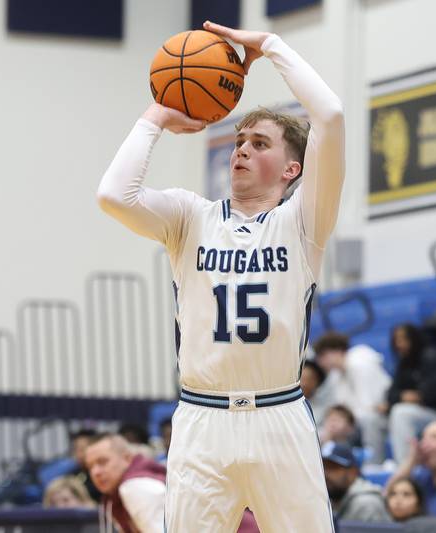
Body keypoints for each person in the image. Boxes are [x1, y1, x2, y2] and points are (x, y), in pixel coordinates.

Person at [97, 19, 344, 532]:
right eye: (239, 140)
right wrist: (157, 115)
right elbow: (114, 196)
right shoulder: (189, 217)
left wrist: (272, 47)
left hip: (280, 414)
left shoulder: (302, 222)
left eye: (259, 143)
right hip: (201, 418)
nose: (242, 150)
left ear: (292, 169)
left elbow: (331, 113)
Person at [313, 332, 391, 463]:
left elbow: (369, 407)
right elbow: (340, 408)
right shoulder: (335, 376)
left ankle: (374, 464)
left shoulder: (361, 365)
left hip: (382, 417)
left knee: (367, 420)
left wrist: (344, 422)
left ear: (337, 351)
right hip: (357, 420)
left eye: (323, 356)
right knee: (328, 428)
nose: (321, 363)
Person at [384, 324, 436, 464]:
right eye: (396, 340)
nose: (399, 344)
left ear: (414, 339)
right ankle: (376, 462)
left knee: (400, 412)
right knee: (374, 418)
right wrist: (404, 397)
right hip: (417, 413)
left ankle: (405, 465)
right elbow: (391, 394)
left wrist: (417, 397)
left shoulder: (431, 357)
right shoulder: (404, 363)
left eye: (403, 339)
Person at [85, 434, 167, 533]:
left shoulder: (135, 486)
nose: (95, 472)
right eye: (90, 467)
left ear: (127, 458)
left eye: (103, 462)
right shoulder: (117, 492)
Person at [321, 442, 392, 523]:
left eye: (333, 468)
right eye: (323, 468)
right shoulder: (332, 499)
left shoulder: (367, 504)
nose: (326, 474)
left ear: (353, 472)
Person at [70, 428, 102, 503]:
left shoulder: (103, 473)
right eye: (76, 449)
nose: (78, 454)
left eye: (82, 449)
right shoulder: (73, 474)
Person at [300, 358, 334, 426]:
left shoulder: (326, 409)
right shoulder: (285, 404)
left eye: (309, 379)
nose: (305, 384)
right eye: (303, 378)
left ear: (318, 383)